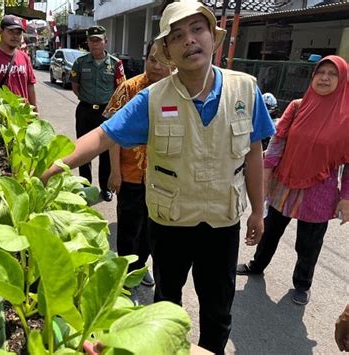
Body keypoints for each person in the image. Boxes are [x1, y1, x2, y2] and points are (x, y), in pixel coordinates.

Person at [41, 1, 275, 353]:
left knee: (218, 311)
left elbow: (254, 152)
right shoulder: (152, 99)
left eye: (198, 30)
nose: (189, 41)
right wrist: (56, 165)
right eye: (177, 36)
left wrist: (258, 211)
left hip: (222, 222)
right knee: (167, 304)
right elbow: (104, 136)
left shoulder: (245, 90)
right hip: (170, 222)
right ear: (167, 50)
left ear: (214, 37)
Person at [237, 55, 349, 306]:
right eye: (321, 73)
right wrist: (265, 174)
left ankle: (302, 284)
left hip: (320, 188)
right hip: (285, 181)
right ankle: (257, 265)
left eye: (333, 74)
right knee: (271, 229)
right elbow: (277, 142)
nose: (325, 78)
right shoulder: (298, 106)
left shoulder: (347, 119)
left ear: (342, 82)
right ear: (313, 76)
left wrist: (346, 198)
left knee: (309, 242)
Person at [103, 40, 172, 293]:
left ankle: (140, 268)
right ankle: (124, 273)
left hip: (163, 178)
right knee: (129, 228)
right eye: (152, 59)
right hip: (130, 174)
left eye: (164, 61)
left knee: (152, 229)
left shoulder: (177, 93)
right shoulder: (128, 89)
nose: (157, 66)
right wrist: (115, 172)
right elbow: (112, 135)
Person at [70, 26, 126, 202]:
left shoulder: (116, 64)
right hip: (85, 111)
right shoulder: (80, 63)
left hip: (106, 112)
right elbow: (75, 86)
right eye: (92, 40)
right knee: (83, 152)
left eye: (98, 40)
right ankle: (85, 188)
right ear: (87, 42)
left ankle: (106, 188)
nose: (95, 43)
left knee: (106, 153)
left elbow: (120, 89)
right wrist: (88, 100)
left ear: (105, 41)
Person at [0, 15, 38, 115]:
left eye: (18, 33)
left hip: (22, 118)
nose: (15, 36)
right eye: (10, 31)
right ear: (1, 32)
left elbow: (30, 86)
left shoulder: (24, 57)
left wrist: (35, 114)